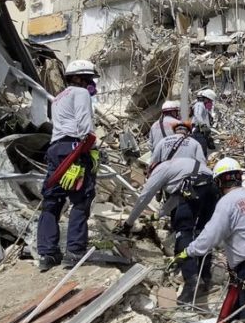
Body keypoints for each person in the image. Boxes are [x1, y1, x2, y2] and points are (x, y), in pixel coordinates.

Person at [170, 157, 245, 323]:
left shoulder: (226, 202)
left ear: (219, 181)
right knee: (231, 318)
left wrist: (187, 252)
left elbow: (210, 236)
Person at [114, 157, 219, 303]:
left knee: (183, 232)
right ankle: (205, 276)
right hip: (211, 186)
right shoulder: (179, 167)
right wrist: (156, 216)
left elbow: (144, 197)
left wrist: (128, 223)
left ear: (150, 170)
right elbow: (176, 197)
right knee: (204, 232)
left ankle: (191, 282)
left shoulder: (160, 170)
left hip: (194, 188)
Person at [37, 59, 100, 271]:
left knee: (52, 201)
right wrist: (89, 148)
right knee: (81, 199)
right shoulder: (80, 93)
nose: (92, 84)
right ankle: (74, 252)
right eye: (90, 79)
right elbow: (84, 125)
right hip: (75, 148)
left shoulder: (57, 98)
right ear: (80, 78)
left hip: (55, 149)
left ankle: (47, 253)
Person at [191, 89, 216, 156]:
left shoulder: (204, 107)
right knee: (201, 150)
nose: (210, 102)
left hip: (202, 130)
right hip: (198, 130)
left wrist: (209, 135)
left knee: (204, 148)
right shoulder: (199, 104)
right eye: (210, 100)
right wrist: (203, 125)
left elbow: (206, 119)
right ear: (207, 98)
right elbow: (197, 115)